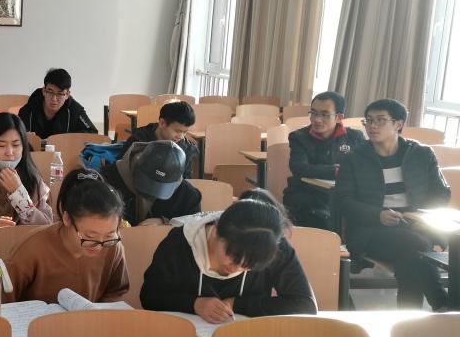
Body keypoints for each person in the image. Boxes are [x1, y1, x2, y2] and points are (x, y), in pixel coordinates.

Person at [335, 99, 452, 310]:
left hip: (418, 227)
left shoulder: (422, 154)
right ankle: (440, 302)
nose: (372, 126)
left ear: (398, 124)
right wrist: (377, 215)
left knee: (411, 255)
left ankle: (411, 317)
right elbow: (343, 202)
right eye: (368, 120)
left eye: (380, 120)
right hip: (371, 231)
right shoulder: (354, 158)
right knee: (415, 246)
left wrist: (422, 216)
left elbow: (441, 193)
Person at [141, 189, 316, 321]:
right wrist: (195, 304)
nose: (237, 268)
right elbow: (150, 296)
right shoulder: (180, 243)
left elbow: (304, 305)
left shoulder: (271, 247)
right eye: (233, 256)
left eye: (248, 265)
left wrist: (237, 304)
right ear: (216, 231)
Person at [6, 169, 128, 304]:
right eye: (90, 236)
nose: (99, 246)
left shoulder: (112, 246)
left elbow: (116, 291)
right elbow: (3, 302)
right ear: (67, 218)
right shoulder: (32, 250)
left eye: (109, 235)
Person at [283, 91, 366, 229]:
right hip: (307, 193)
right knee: (322, 216)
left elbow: (363, 166)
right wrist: (336, 171)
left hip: (344, 194)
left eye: (325, 115)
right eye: (314, 113)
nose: (317, 119)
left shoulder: (354, 137)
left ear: (339, 117)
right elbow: (298, 167)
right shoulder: (299, 137)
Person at [102, 139, 202, 225]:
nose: (152, 192)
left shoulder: (188, 196)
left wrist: (167, 223)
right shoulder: (107, 181)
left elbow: (195, 226)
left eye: (162, 186)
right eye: (148, 181)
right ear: (137, 163)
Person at [118, 100, 198, 178]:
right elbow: (122, 170)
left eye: (185, 132)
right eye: (177, 131)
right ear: (162, 123)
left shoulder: (186, 148)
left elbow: (185, 178)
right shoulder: (138, 140)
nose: (181, 136)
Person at [17, 68, 98, 138]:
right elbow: (16, 132)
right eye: (50, 92)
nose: (54, 99)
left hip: (63, 150)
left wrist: (68, 138)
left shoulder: (75, 110)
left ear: (67, 95)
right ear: (44, 91)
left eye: (60, 94)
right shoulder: (29, 108)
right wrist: (24, 135)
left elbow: (92, 133)